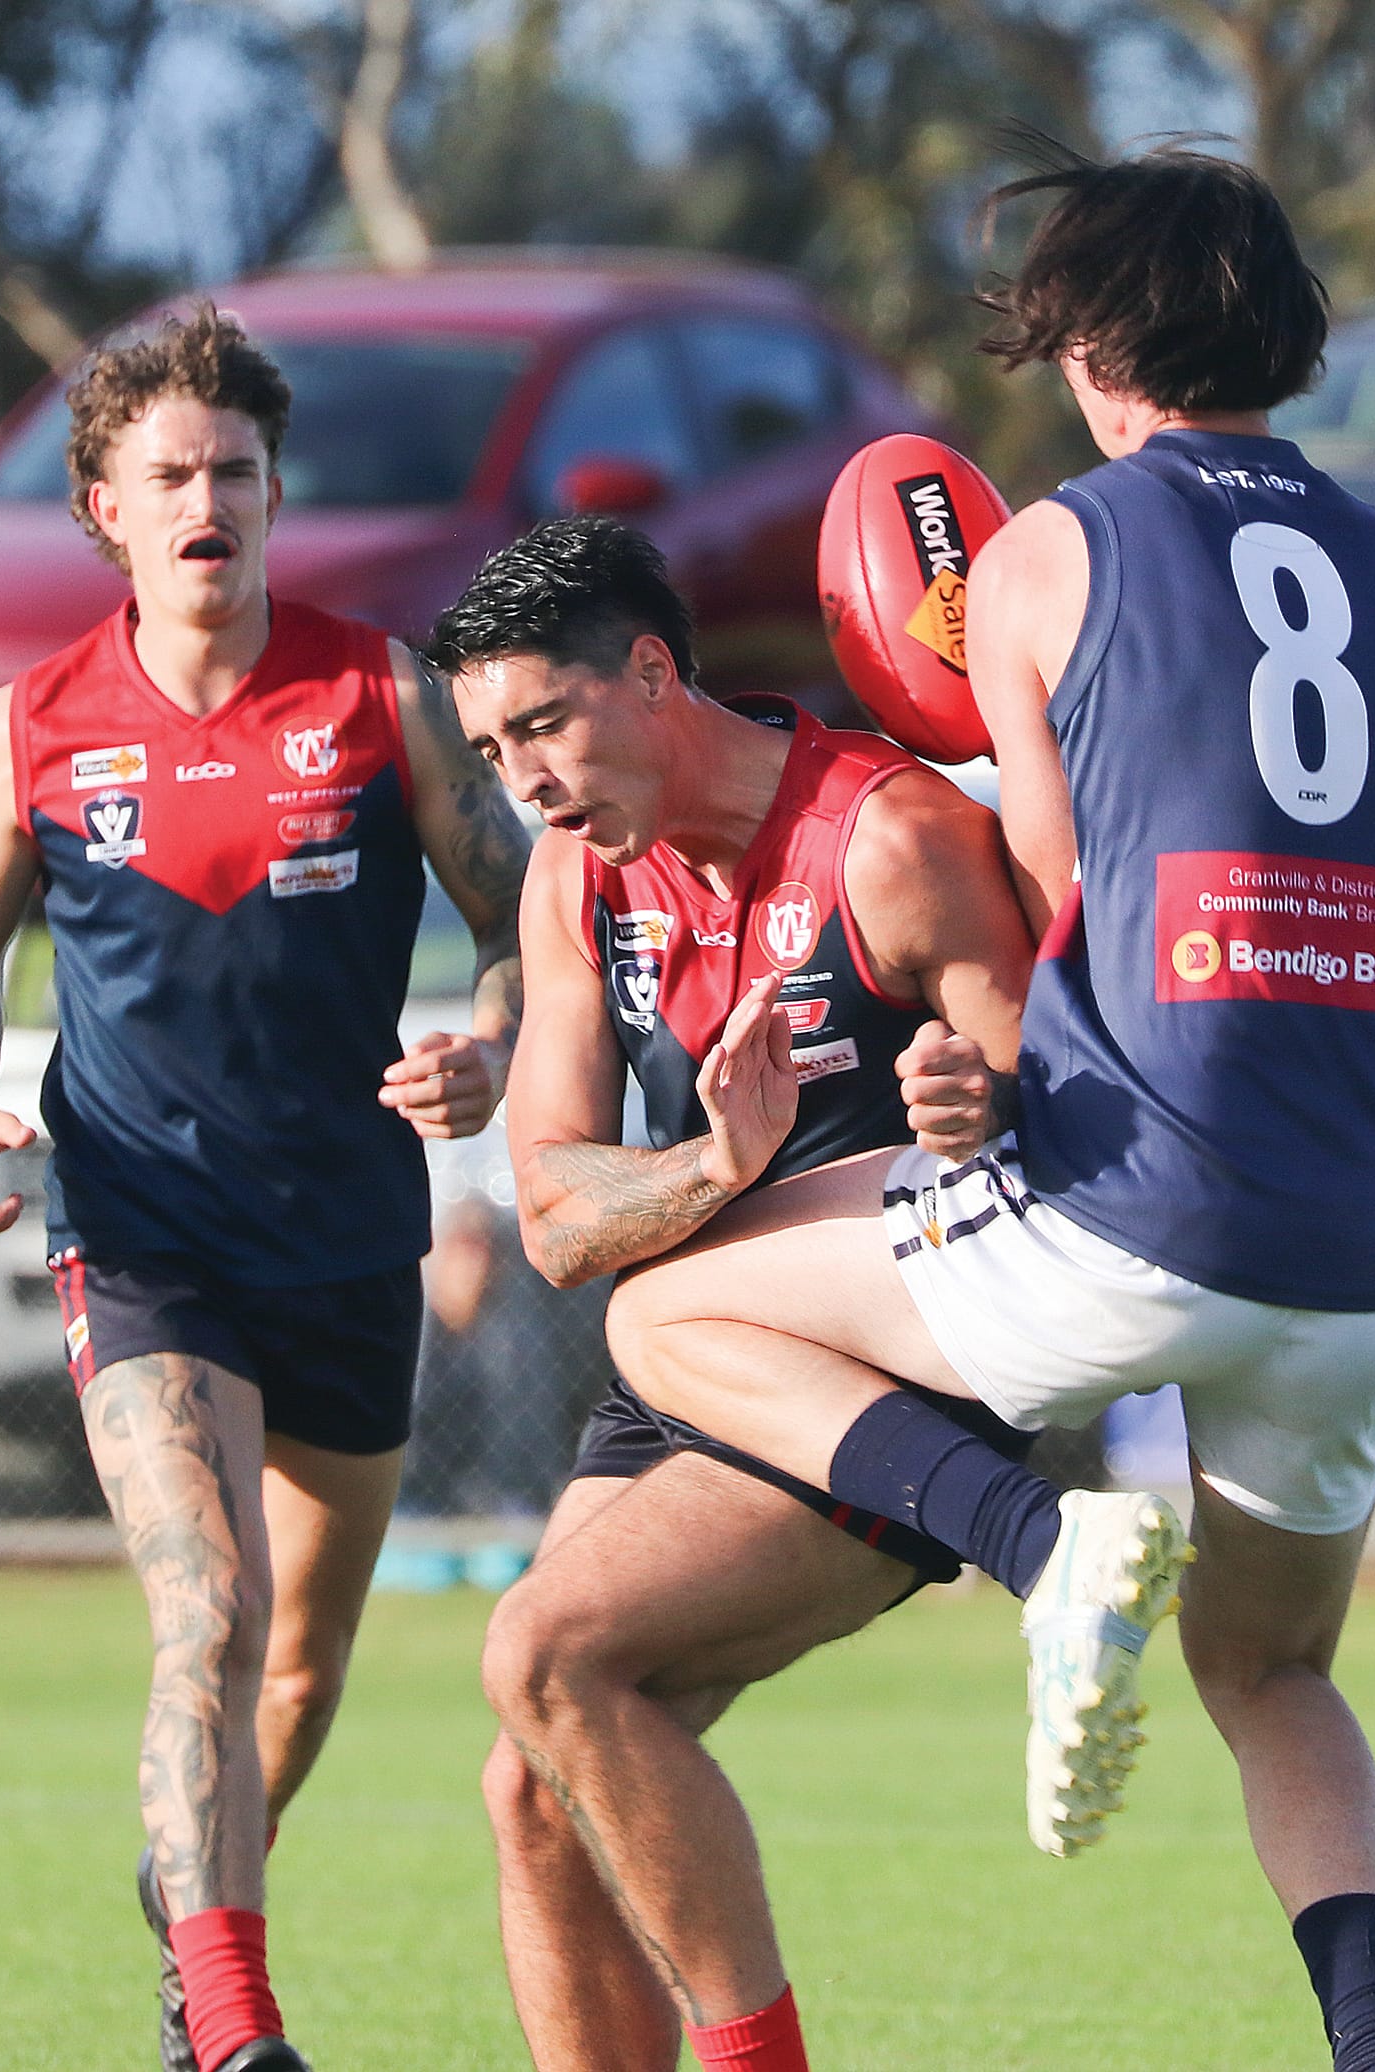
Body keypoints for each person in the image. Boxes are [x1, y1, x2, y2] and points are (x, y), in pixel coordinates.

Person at [497, 145, 1375, 2072]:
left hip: (1141, 1201)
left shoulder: (1050, 550)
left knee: (660, 1305)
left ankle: (1041, 1552)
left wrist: (981, 1024)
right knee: (1273, 1671)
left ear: (1092, 336)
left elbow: (1049, 888)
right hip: (1365, 1238)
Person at [0, 307, 530, 2072]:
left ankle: (191, 1887)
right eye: (169, 474)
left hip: (348, 1243)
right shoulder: (29, 727)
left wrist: (485, 1043)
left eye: (236, 472)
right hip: (144, 1231)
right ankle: (233, 2024)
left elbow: (518, 920)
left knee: (300, 1676)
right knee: (210, 1605)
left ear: (273, 494)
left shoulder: (377, 689)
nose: (208, 500)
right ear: (103, 506)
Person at [425, 514, 1037, 2071]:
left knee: (548, 1658)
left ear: (648, 672)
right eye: (493, 749)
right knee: (528, 1783)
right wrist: (711, 1165)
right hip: (687, 1358)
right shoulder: (582, 886)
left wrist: (986, 1103)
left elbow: (1072, 1113)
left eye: (545, 725)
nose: (527, 782)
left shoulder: (890, 843)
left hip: (886, 1384)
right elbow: (559, 1218)